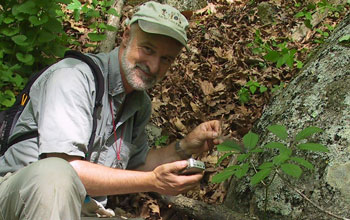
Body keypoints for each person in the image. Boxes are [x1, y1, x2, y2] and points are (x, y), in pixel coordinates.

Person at [0, 1, 222, 219]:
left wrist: (184, 147)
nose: (154, 66)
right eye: (148, 49)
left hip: (83, 209)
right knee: (55, 174)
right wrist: (153, 181)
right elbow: (68, 170)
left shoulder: (139, 103)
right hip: (19, 198)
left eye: (165, 59)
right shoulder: (73, 77)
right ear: (126, 36)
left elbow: (138, 166)